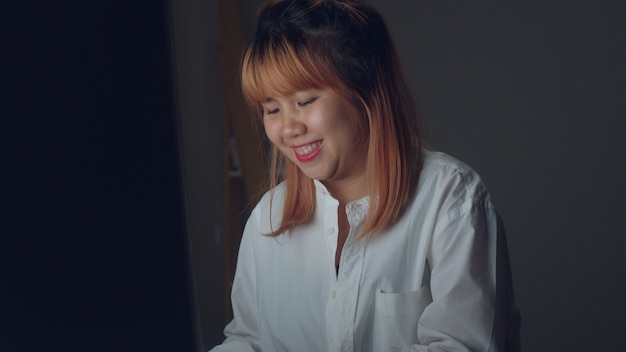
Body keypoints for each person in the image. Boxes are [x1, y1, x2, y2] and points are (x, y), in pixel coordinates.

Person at [210, 0, 521, 351]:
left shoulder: (451, 199)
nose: (288, 128)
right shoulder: (267, 219)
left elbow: (464, 344)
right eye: (271, 108)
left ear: (365, 91)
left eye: (306, 101)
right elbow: (248, 339)